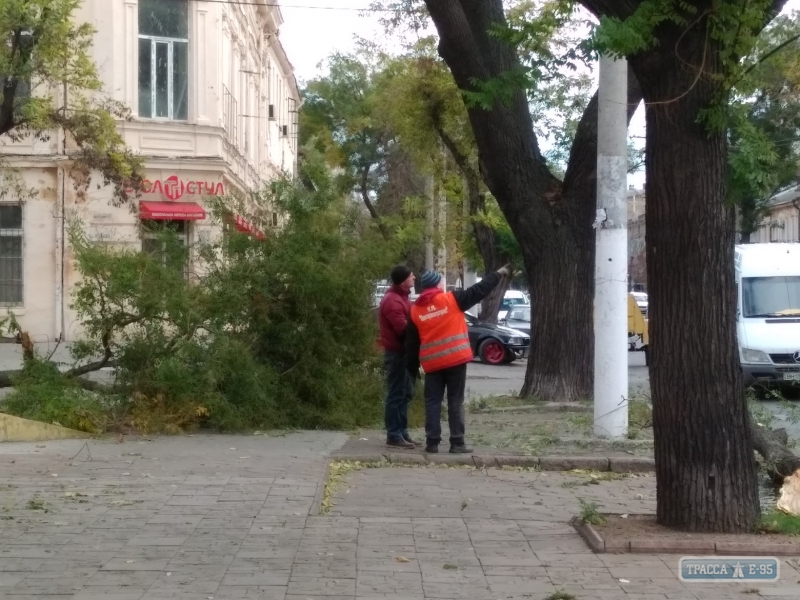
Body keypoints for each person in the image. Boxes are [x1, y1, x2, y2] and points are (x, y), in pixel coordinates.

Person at [406, 265, 511, 454]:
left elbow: (412, 344)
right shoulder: (452, 300)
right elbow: (478, 290)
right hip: (455, 359)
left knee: (433, 401)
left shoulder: (415, 311)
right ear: (438, 284)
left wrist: (412, 369)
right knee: (455, 400)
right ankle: (457, 443)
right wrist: (497, 274)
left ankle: (432, 442)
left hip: (432, 363)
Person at [378, 265, 417, 449]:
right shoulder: (393, 301)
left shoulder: (402, 297)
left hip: (403, 353)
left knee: (405, 393)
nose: (414, 277)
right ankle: (394, 434)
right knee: (396, 394)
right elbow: (403, 329)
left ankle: (402, 432)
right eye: (411, 276)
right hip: (397, 354)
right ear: (403, 281)